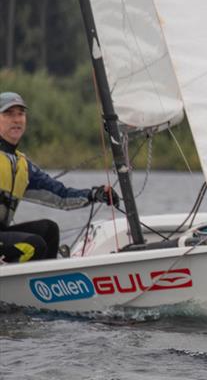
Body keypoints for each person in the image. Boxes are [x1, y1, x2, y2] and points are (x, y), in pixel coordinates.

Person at [0, 91, 119, 264]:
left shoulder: (22, 166)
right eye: (8, 114)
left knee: (48, 230)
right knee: (33, 245)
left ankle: (44, 286)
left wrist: (94, 194)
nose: (17, 119)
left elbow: (61, 195)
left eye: (20, 114)